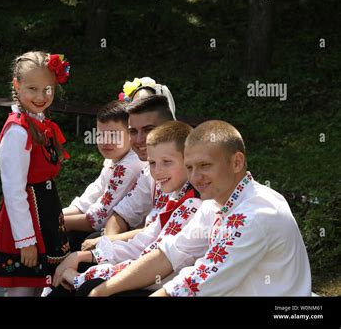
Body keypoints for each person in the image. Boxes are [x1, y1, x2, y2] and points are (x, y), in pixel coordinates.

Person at [83, 120, 312, 296]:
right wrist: (103, 290)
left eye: (205, 166)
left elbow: (196, 281)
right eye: (190, 167)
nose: (196, 177)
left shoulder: (256, 214)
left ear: (237, 162)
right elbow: (168, 255)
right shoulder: (215, 203)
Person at [51, 121, 202, 296]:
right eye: (152, 163)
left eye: (166, 162)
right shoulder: (176, 195)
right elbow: (142, 240)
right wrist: (88, 256)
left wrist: (81, 277)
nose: (157, 171)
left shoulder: (192, 204)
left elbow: (150, 262)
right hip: (150, 274)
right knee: (84, 262)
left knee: (87, 284)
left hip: (164, 285)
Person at [0, 51, 71, 296]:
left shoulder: (40, 123)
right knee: (22, 291)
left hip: (43, 214)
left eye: (48, 89)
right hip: (25, 223)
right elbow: (13, 191)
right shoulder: (18, 131)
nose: (41, 96)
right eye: (32, 88)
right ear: (16, 85)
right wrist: (26, 241)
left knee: (36, 287)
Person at [63, 100, 143, 251]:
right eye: (101, 134)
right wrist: (58, 215)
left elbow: (99, 217)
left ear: (130, 133)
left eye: (113, 135)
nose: (105, 141)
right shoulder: (113, 158)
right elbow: (90, 197)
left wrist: (57, 222)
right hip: (107, 224)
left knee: (64, 237)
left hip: (128, 234)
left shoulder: (128, 167)